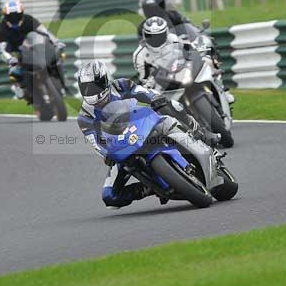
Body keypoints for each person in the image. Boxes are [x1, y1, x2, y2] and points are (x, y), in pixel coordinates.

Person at [76, 61, 220, 209]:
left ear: (105, 80)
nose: (90, 91)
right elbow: (95, 141)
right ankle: (148, 188)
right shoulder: (84, 117)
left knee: (172, 107)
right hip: (121, 146)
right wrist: (106, 154)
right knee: (109, 196)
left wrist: (154, 98)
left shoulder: (120, 86)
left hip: (142, 124)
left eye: (94, 86)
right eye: (86, 88)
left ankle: (201, 134)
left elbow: (143, 92)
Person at [134, 16, 235, 104]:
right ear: (144, 35)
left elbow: (189, 47)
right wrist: (150, 83)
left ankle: (223, 91)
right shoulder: (140, 54)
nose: (156, 39)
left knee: (206, 61)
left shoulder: (172, 38)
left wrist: (199, 49)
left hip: (179, 70)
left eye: (159, 35)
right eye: (151, 36)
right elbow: (144, 79)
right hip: (162, 83)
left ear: (166, 32)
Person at [0, 0, 62, 100]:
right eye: (11, 16)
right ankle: (20, 88)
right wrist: (10, 59)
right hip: (18, 54)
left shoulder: (29, 19)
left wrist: (56, 42)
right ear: (5, 16)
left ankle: (60, 82)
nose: (14, 19)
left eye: (16, 15)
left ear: (22, 13)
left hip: (35, 48)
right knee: (14, 71)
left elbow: (44, 31)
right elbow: (2, 50)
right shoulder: (2, 29)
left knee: (57, 58)